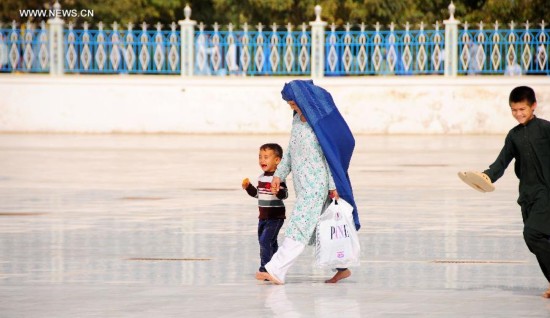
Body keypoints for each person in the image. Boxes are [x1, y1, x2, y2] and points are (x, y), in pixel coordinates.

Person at [255, 80, 360, 285]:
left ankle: (276, 269)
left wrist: (333, 186)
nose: (291, 107)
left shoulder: (318, 122)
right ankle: (342, 267)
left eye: (293, 103)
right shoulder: (297, 120)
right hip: (303, 185)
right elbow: (292, 152)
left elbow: (331, 156)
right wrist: (279, 175)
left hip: (317, 186)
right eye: (289, 104)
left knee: (299, 226)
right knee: (319, 229)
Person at [474, 86, 550, 298]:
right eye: (514, 110)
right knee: (535, 241)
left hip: (547, 193)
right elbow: (501, 162)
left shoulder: (545, 129)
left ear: (533, 106)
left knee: (533, 234)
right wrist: (486, 176)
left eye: (522, 109)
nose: (518, 114)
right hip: (528, 196)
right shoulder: (514, 135)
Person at [243, 143, 288, 273]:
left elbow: (284, 194)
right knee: (269, 242)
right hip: (263, 217)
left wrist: (278, 191)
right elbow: (258, 194)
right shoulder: (261, 177)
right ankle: (276, 265)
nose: (262, 160)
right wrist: (249, 188)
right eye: (260, 157)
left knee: (265, 241)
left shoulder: (278, 178)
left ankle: (266, 268)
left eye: (266, 157)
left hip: (275, 217)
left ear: (277, 160)